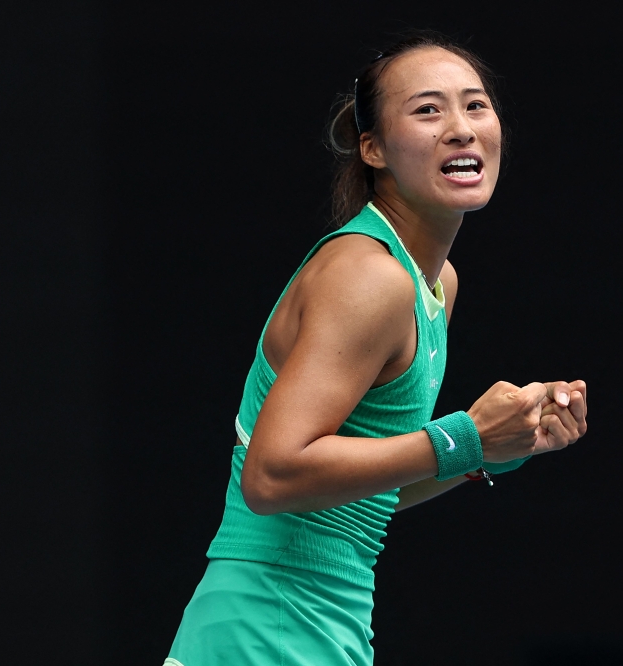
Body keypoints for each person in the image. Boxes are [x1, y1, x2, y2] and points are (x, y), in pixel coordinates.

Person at [164, 32, 588, 666]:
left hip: (317, 620)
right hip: (269, 620)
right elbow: (272, 475)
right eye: (427, 110)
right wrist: (463, 436)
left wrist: (490, 453)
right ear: (373, 148)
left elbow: (370, 490)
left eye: (475, 105)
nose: (460, 128)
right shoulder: (370, 275)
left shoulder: (435, 282)